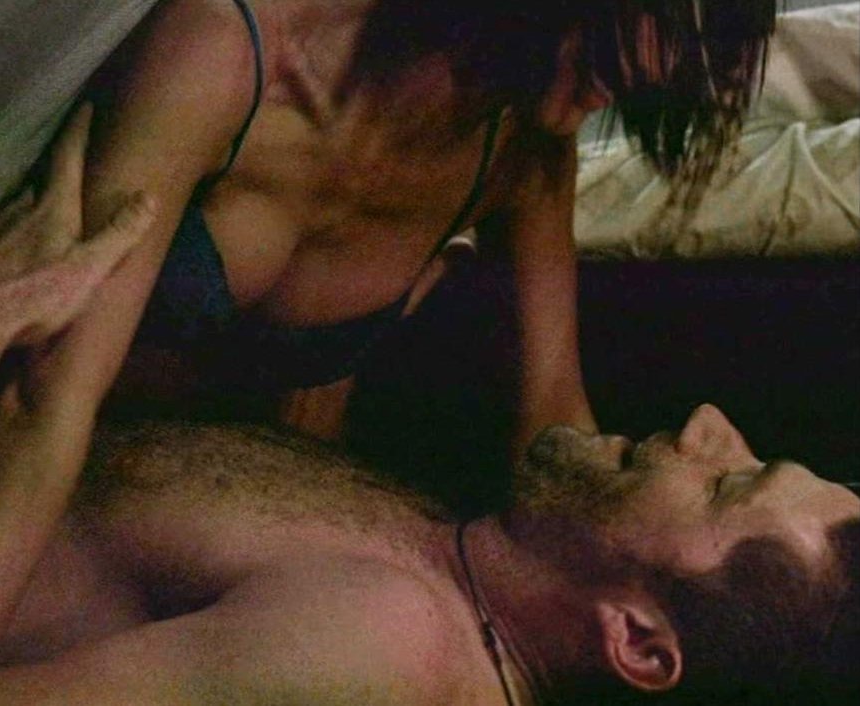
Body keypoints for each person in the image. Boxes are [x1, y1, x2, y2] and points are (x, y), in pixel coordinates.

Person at [0, 107, 856, 706]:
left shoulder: (384, 645)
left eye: (725, 482)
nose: (702, 430)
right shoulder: (457, 581)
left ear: (635, 642)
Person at [61, 0, 777, 445]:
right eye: (663, 16)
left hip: (245, 524)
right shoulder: (238, 54)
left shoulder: (521, 155)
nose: (662, 66)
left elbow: (553, 413)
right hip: (76, 487)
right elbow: (44, 402)